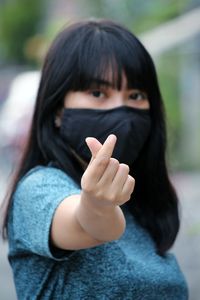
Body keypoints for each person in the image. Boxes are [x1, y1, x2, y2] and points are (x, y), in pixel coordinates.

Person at [1, 19, 188, 299]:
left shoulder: (138, 205)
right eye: (98, 93)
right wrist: (97, 205)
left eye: (135, 95)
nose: (120, 110)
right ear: (58, 110)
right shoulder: (39, 189)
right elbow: (89, 223)